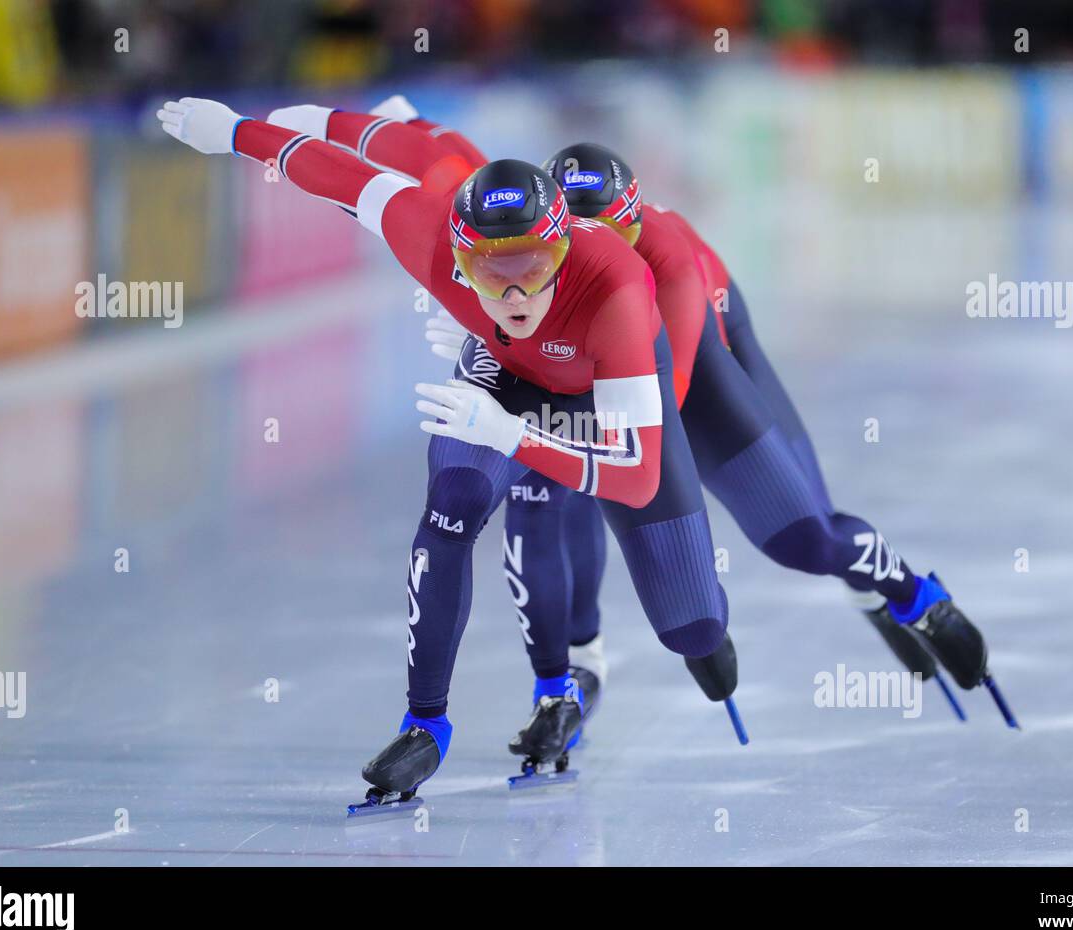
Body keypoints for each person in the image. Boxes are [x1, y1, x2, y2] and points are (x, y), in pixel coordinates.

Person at [286, 99, 1004, 729]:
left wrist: (524, 369)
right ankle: (577, 661)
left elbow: (662, 411)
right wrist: (495, 330)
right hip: (604, 374)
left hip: (704, 370)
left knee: (807, 539)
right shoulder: (532, 244)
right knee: (549, 496)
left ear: (633, 231)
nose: (589, 270)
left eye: (613, 244)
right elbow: (438, 176)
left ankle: (906, 591)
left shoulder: (661, 264)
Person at [156, 97, 742, 809]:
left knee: (694, 628)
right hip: (507, 375)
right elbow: (335, 177)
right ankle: (426, 723)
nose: (518, 289)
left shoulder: (614, 285)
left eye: (535, 263)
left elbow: (637, 476)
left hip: (600, 380)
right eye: (493, 273)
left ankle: (666, 637)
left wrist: (517, 435)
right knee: (456, 501)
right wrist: (238, 135)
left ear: (563, 247)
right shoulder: (427, 236)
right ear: (459, 262)